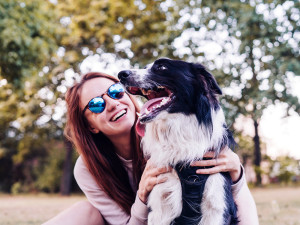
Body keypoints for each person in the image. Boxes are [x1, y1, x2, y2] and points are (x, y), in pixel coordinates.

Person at [43, 72, 259, 225]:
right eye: (96, 105)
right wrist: (143, 195)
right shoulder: (87, 168)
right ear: (89, 125)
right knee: (84, 212)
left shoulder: (170, 134)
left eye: (116, 91)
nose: (112, 103)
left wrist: (237, 174)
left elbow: (222, 199)